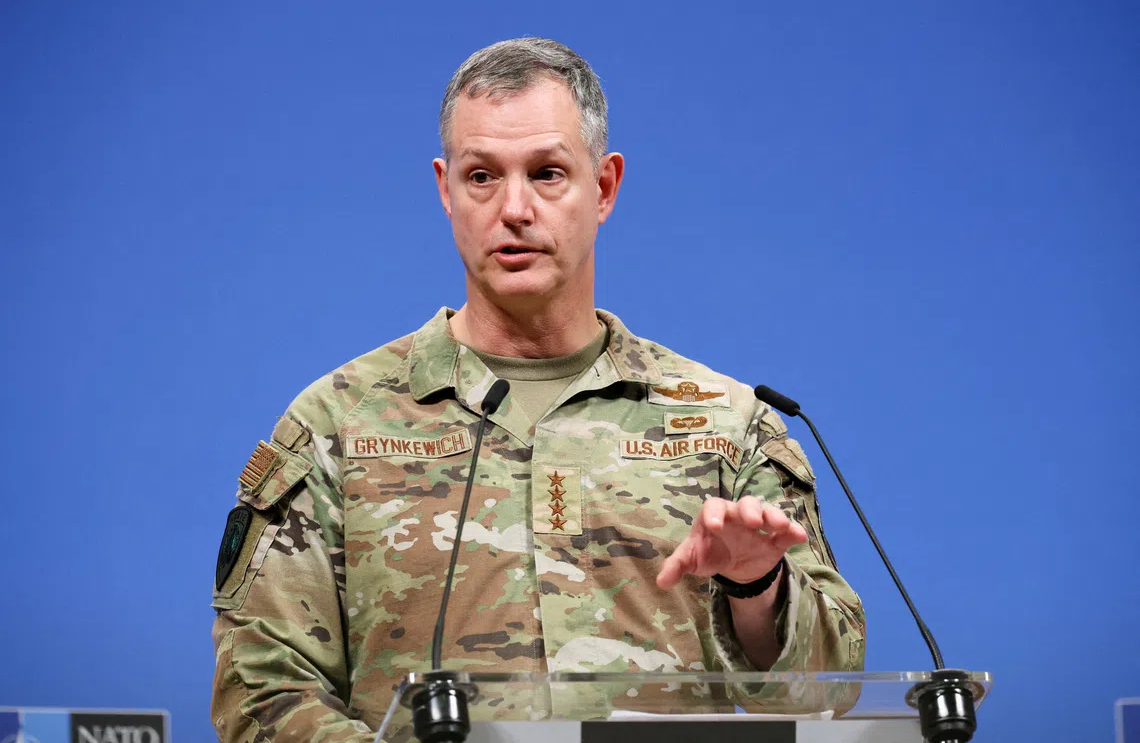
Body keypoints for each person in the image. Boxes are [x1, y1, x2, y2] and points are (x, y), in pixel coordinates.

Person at [211, 37, 865, 743]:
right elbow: (262, 692)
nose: (514, 208)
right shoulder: (337, 425)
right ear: (445, 189)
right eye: (482, 176)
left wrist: (756, 589)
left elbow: (829, 690)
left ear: (605, 187)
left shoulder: (726, 425)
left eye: (548, 173)